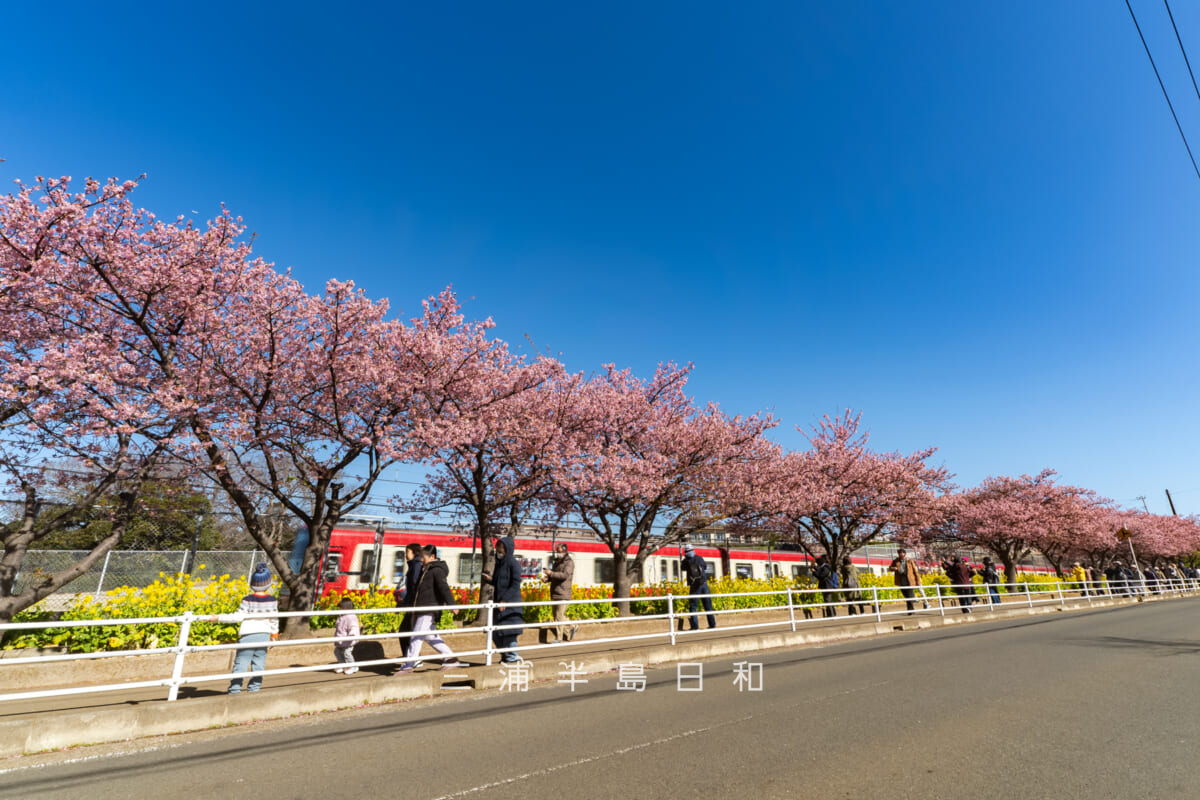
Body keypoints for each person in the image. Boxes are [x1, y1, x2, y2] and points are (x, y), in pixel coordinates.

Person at [216, 563, 279, 694]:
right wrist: (274, 636)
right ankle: (254, 689)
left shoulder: (247, 600)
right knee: (259, 664)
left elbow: (237, 617)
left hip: (247, 636)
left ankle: (235, 689)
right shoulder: (272, 601)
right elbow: (274, 619)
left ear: (252, 583)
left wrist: (217, 617)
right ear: (268, 583)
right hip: (264, 635)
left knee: (241, 663)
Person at [399, 545, 464, 672]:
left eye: (423, 557)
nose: (421, 559)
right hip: (424, 607)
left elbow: (444, 588)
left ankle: (409, 664)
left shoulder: (436, 570)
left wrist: (452, 604)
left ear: (432, 557)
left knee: (416, 636)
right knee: (430, 637)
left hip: (428, 608)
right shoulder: (427, 569)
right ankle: (450, 658)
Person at [481, 536, 524, 663]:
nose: (498, 552)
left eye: (500, 549)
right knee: (496, 633)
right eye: (497, 549)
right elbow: (500, 582)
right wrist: (490, 579)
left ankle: (512, 659)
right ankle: (506, 657)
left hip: (510, 605)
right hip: (500, 605)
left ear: (507, 549)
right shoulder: (500, 564)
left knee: (509, 634)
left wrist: (505, 599)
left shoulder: (513, 564)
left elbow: (516, 583)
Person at [394, 543, 424, 664]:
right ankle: (411, 658)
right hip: (412, 604)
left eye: (407, 552)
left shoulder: (416, 566)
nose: (406, 555)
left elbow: (414, 588)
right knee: (408, 631)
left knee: (406, 631)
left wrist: (406, 602)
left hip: (413, 605)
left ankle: (413, 659)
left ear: (414, 553)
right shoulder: (414, 565)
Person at [543, 542, 577, 643]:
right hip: (555, 592)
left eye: (559, 551)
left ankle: (559, 638)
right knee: (556, 616)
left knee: (559, 616)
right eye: (557, 551)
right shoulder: (556, 562)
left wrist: (551, 573)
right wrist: (548, 578)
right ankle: (572, 626)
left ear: (565, 551)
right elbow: (554, 576)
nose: (557, 553)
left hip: (563, 593)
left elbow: (564, 576)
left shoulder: (569, 563)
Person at [681, 544, 717, 629]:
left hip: (694, 586)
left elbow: (682, 568)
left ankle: (695, 626)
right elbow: (705, 567)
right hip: (704, 584)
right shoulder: (699, 558)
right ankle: (712, 625)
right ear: (693, 550)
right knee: (708, 605)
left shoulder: (685, 561)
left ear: (685, 551)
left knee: (693, 606)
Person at [889, 548, 922, 614]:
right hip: (901, 580)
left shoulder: (909, 561)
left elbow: (915, 571)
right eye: (899, 553)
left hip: (909, 580)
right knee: (906, 596)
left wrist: (918, 581)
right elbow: (890, 568)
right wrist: (893, 568)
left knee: (909, 595)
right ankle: (912, 609)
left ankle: (910, 610)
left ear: (905, 554)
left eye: (902, 553)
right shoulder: (896, 561)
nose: (901, 554)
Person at [333, 597, 359, 674]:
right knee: (337, 651)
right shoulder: (341, 617)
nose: (339, 610)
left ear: (345, 608)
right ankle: (342, 664)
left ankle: (352, 666)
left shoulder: (351, 617)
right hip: (340, 640)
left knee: (346, 653)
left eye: (340, 608)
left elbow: (353, 627)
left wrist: (352, 635)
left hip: (348, 640)